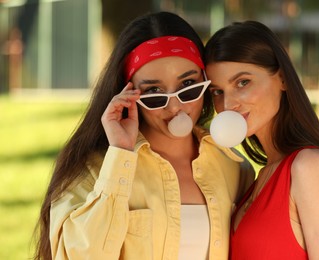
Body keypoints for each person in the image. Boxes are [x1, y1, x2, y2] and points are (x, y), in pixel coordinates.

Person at [33, 12, 254, 260]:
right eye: (154, 92)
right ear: (128, 95)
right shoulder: (90, 170)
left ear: (206, 83)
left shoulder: (235, 169)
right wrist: (120, 156)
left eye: (188, 86)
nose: (174, 107)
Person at [204, 21, 319, 259]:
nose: (228, 105)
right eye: (218, 92)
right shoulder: (258, 178)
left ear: (283, 79)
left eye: (242, 82)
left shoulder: (310, 167)